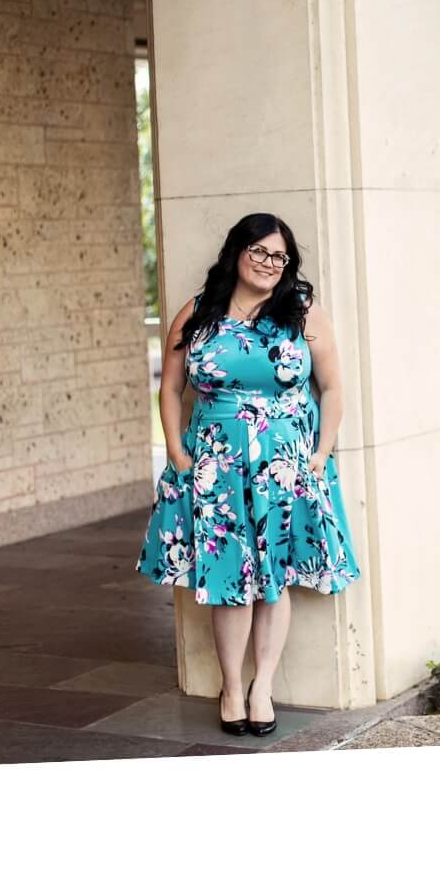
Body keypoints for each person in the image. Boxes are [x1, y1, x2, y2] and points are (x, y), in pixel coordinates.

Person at [136, 213, 361, 736]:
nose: (268, 264)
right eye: (259, 252)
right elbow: (170, 389)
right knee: (228, 577)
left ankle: (263, 688)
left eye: (279, 256)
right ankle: (232, 687)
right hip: (214, 463)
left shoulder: (302, 312)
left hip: (284, 462)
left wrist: (321, 454)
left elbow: (332, 388)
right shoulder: (198, 312)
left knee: (272, 579)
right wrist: (176, 452)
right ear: (237, 252)